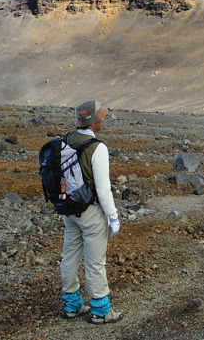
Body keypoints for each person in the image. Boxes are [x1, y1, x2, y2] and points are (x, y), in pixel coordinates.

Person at [59, 99, 124, 324]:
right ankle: (100, 310)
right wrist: (113, 216)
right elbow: (103, 188)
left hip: (69, 209)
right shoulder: (98, 147)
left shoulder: (65, 140)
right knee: (95, 262)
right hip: (91, 211)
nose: (103, 119)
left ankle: (72, 306)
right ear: (94, 121)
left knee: (70, 256)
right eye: (101, 116)